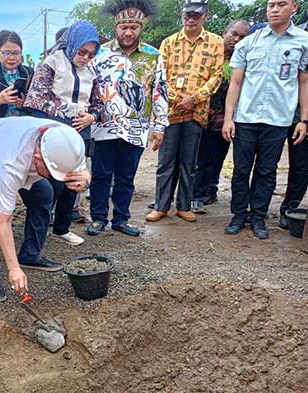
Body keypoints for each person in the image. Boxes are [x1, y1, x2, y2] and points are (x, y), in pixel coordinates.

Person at [0, 116, 90, 301]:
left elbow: (83, 171)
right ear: (38, 158)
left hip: (3, 144)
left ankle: (30, 255)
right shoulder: (11, 163)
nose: (55, 177)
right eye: (52, 173)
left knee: (44, 194)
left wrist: (85, 180)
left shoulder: (65, 140)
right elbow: (3, 220)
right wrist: (13, 269)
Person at [223, 0, 308, 239]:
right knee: (241, 170)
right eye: (270, 5)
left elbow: (305, 82)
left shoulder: (305, 43)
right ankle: (238, 215)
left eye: (281, 4)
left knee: (267, 171)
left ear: (295, 7)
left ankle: (258, 216)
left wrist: (303, 119)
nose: (274, 9)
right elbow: (235, 83)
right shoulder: (248, 42)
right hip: (246, 117)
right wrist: (229, 118)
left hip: (278, 119)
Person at [89, 0, 169, 237]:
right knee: (101, 175)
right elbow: (90, 88)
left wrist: (160, 126)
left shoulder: (154, 56)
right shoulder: (99, 54)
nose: (128, 32)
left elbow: (160, 91)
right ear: (115, 27)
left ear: (141, 27)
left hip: (136, 127)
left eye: (133, 27)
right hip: (105, 125)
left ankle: (121, 219)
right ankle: (98, 217)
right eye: (124, 27)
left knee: (126, 176)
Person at [25, 20, 103, 246]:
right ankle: (38, 230)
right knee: (51, 182)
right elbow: (36, 97)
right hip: (53, 131)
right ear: (71, 44)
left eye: (91, 54)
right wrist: (65, 113)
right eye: (82, 52)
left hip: (80, 132)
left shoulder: (91, 70)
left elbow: (98, 103)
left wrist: (92, 117)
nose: (86, 58)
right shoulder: (52, 63)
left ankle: (62, 227)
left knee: (73, 181)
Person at [146, 0, 224, 223]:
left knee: (189, 162)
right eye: (187, 14)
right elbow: (160, 76)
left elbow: (216, 76)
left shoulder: (215, 42)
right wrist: (178, 98)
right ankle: (161, 206)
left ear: (205, 16)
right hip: (170, 111)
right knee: (166, 162)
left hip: (197, 112)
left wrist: (194, 98)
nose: (191, 19)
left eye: (196, 15)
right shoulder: (169, 43)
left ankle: (184, 205)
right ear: (182, 15)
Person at [191, 20, 250, 213]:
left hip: (226, 118)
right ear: (225, 31)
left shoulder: (242, 60)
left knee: (215, 157)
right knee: (196, 157)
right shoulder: (209, 54)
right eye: (234, 34)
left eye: (242, 37)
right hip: (200, 113)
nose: (237, 39)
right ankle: (193, 192)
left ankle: (207, 191)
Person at [279, 0, 308, 229]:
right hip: (278, 109)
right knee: (267, 161)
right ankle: (256, 208)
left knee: (299, 164)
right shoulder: (289, 34)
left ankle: (290, 209)